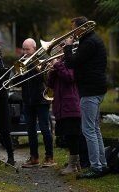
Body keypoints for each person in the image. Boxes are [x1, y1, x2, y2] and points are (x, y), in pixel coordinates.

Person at [63, 16, 109, 179]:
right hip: (94, 88)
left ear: (81, 28)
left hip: (90, 89)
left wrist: (68, 47)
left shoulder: (89, 42)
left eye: (74, 29)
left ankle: (96, 167)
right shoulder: (90, 40)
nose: (72, 33)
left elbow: (71, 63)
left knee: (88, 130)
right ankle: (102, 165)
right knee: (94, 129)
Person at [18, 38, 56, 168]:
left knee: (45, 129)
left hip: (41, 99)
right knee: (31, 130)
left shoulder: (42, 61)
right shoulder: (21, 61)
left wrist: (35, 66)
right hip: (27, 100)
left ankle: (49, 157)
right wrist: (19, 68)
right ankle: (34, 157)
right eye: (23, 49)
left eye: (27, 49)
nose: (24, 52)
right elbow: (16, 81)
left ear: (34, 49)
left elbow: (46, 79)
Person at [46, 54, 82, 174]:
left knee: (73, 135)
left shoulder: (72, 62)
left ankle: (73, 165)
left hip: (70, 103)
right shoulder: (60, 64)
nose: (60, 51)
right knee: (67, 135)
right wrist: (51, 72)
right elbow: (51, 85)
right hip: (61, 105)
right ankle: (75, 163)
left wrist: (57, 65)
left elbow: (69, 77)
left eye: (62, 47)